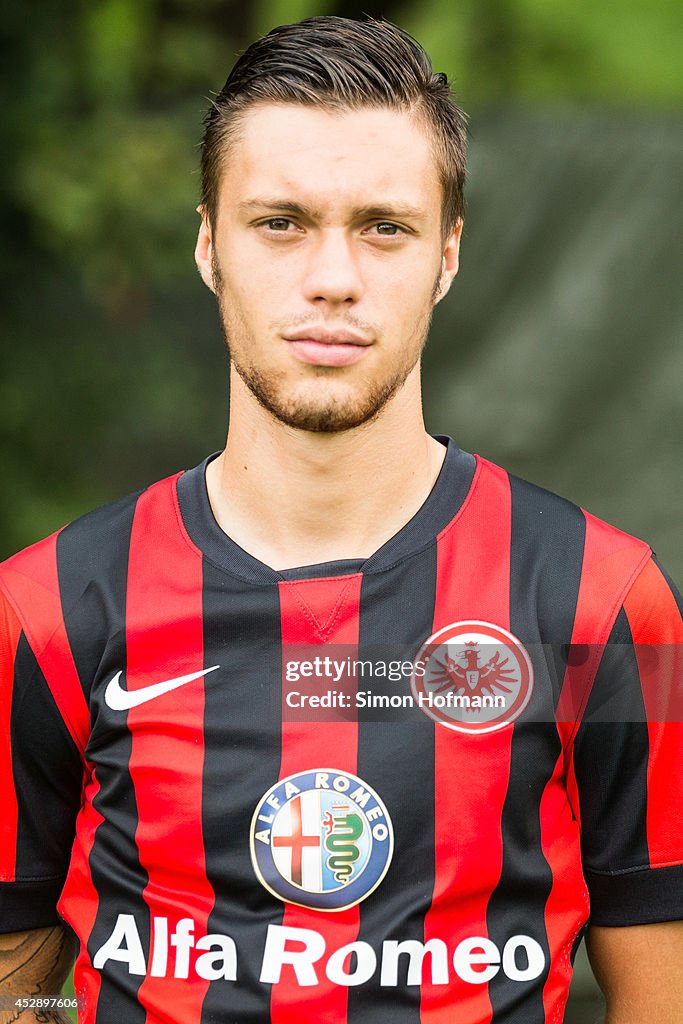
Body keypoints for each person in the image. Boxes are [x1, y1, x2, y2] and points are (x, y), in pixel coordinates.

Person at [0, 15, 681, 1024]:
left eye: (382, 226)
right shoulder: (41, 611)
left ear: (446, 256)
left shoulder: (607, 602)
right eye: (278, 222)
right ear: (206, 245)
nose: (332, 277)